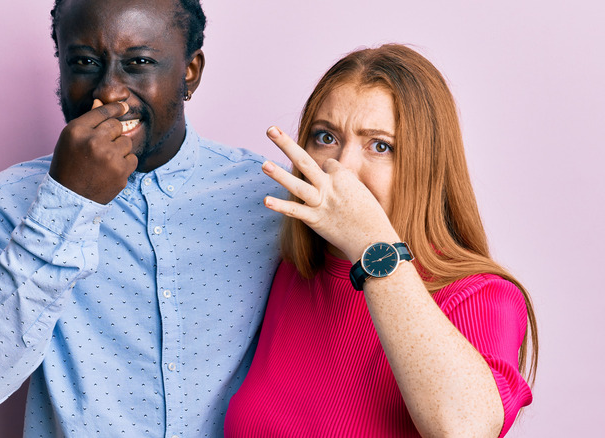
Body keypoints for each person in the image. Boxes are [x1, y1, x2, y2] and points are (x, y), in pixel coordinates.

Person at [0, 1, 283, 436]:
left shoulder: (268, 198)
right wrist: (67, 201)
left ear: (190, 72)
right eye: (85, 63)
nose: (109, 92)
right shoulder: (4, 202)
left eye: (139, 63)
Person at [225, 44, 538, 437]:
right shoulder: (293, 272)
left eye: (380, 146)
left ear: (426, 166)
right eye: (325, 137)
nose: (341, 167)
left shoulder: (481, 296)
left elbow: (466, 429)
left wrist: (371, 244)